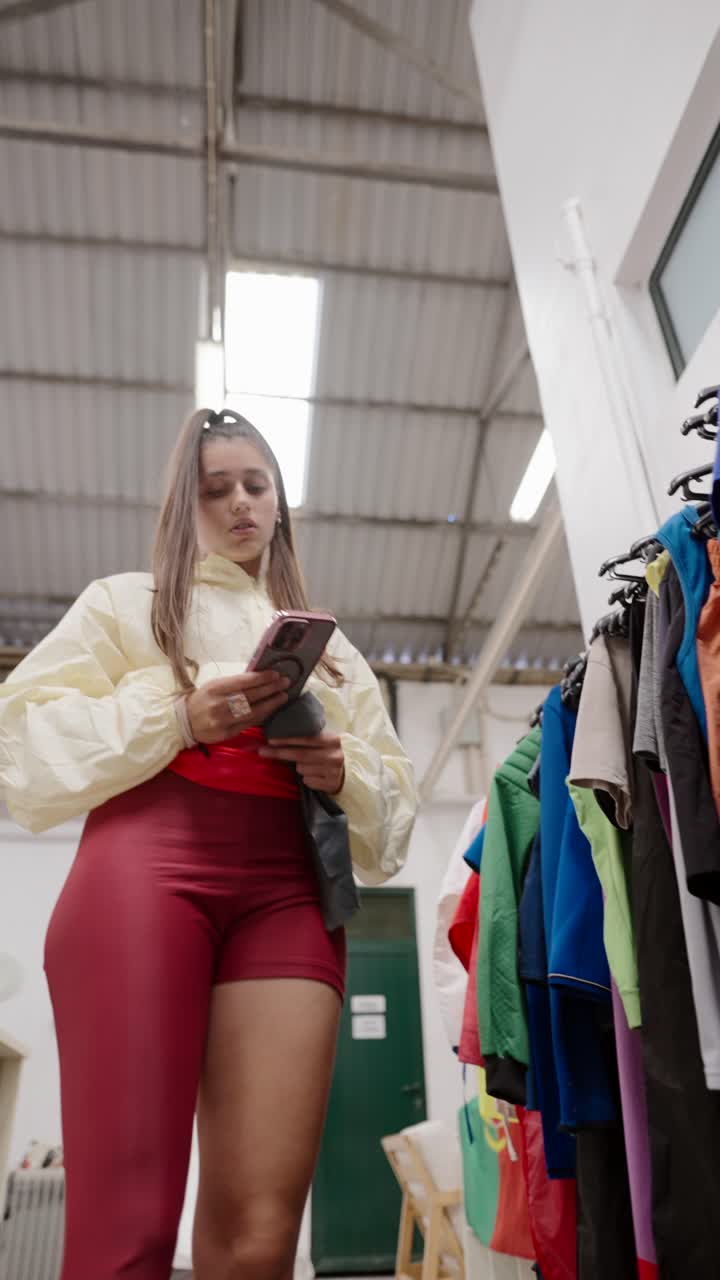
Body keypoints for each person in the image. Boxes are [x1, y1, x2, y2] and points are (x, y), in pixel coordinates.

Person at [0, 408, 417, 1280]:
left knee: (261, 1238)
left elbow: (392, 827)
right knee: (130, 1229)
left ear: (279, 502)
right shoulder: (125, 604)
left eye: (255, 485)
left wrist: (342, 769)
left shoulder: (335, 653)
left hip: (291, 889)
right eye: (215, 488)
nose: (239, 503)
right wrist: (178, 716)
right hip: (144, 868)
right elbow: (17, 741)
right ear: (183, 509)